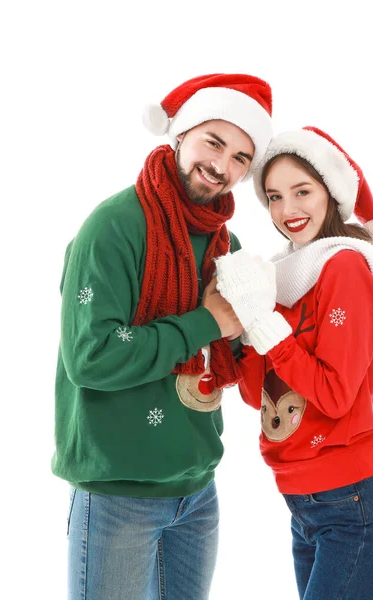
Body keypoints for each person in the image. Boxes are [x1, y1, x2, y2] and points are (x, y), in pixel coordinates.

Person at [51, 73, 273, 600]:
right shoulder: (112, 227)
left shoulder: (227, 243)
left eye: (242, 158)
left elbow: (238, 352)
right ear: (179, 134)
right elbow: (92, 357)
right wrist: (207, 322)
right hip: (116, 495)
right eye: (213, 142)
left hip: (197, 491)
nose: (222, 166)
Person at [215, 126, 373, 600]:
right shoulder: (284, 278)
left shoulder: (344, 267)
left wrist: (267, 330)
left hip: (356, 505)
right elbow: (255, 396)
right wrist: (239, 329)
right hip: (306, 505)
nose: (288, 211)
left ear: (331, 192)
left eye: (302, 191)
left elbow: (334, 394)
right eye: (275, 197)